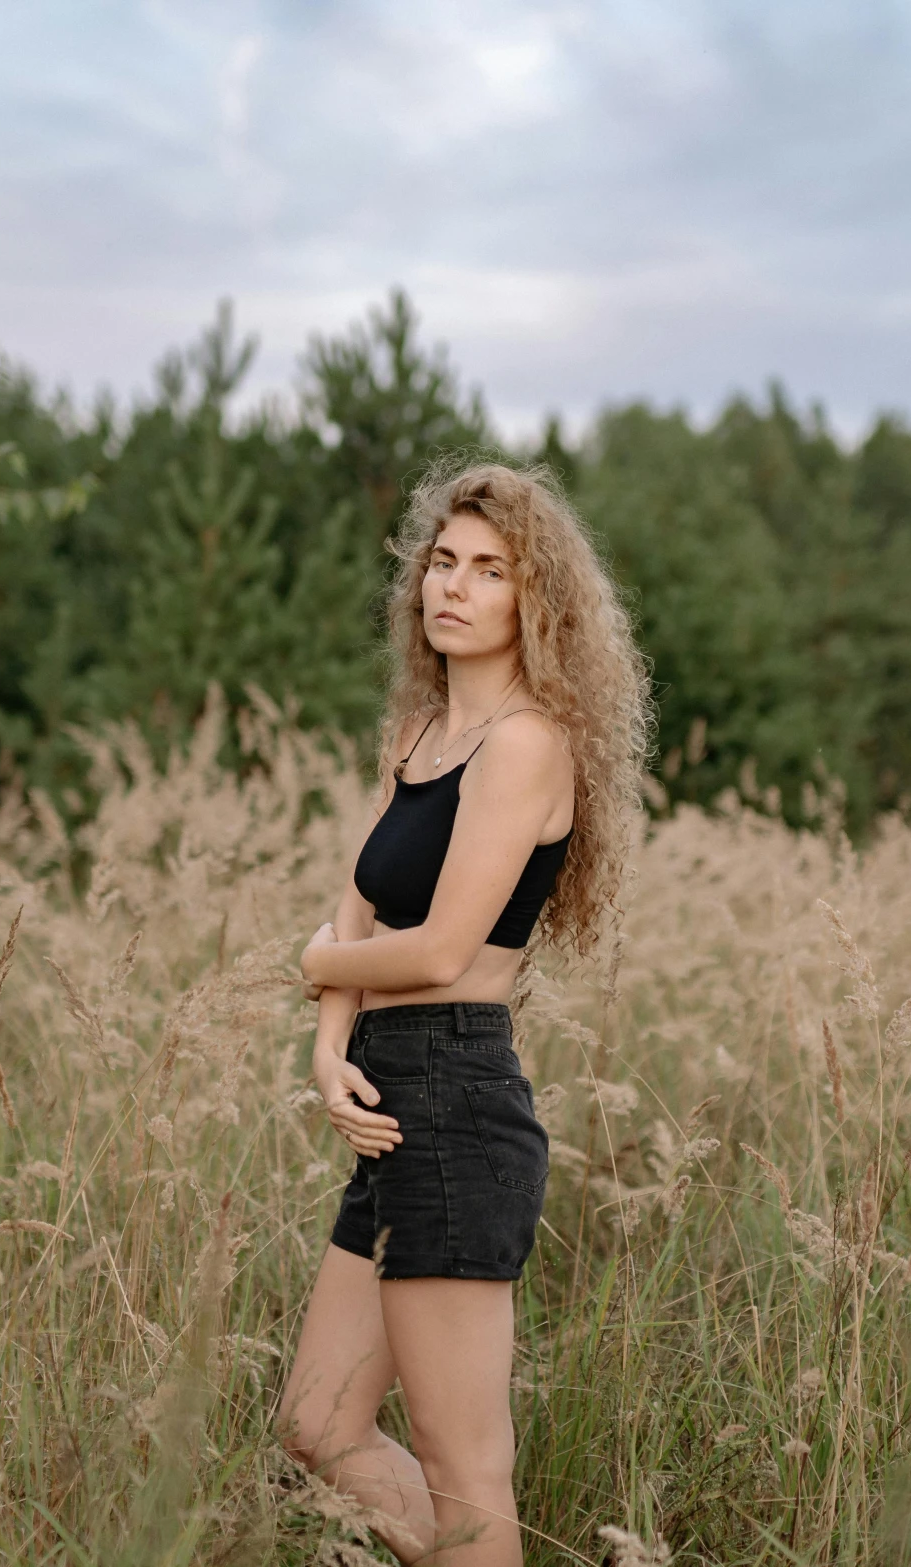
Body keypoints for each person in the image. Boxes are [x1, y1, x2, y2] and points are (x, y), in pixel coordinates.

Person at [278, 461, 650, 1565]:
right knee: (316, 1419)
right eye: (443, 562)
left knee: (464, 1464)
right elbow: (358, 903)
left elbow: (438, 947)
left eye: (490, 571)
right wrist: (328, 1044)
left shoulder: (528, 745)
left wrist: (309, 966)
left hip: (455, 1092)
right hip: (391, 1089)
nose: (454, 586)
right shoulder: (422, 733)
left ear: (534, 604)